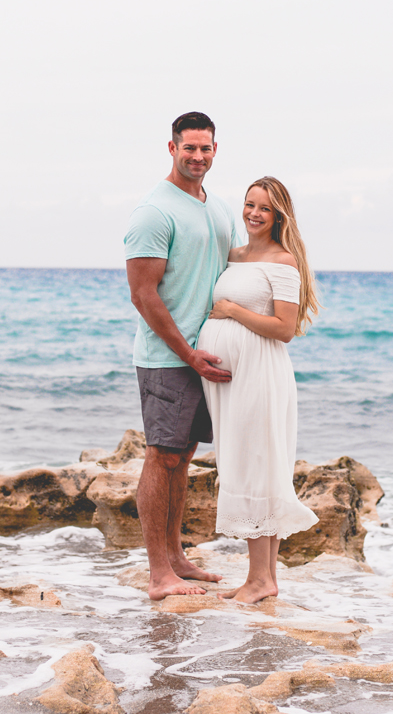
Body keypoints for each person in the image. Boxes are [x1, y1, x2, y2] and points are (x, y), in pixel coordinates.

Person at [124, 112, 241, 600]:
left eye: (206, 149)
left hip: (202, 355)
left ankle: (177, 559)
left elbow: (234, 271)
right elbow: (143, 294)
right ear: (171, 148)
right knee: (162, 456)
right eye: (189, 148)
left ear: (216, 151)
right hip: (167, 357)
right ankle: (158, 575)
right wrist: (188, 354)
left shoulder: (217, 209)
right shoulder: (155, 211)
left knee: (184, 457)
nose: (197, 157)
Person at [197, 176, 321, 604]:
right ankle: (263, 579)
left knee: (257, 464)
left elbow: (284, 328)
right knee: (245, 462)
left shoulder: (283, 262)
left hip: (260, 374)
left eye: (264, 208)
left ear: (278, 216)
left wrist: (230, 310)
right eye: (249, 204)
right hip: (231, 380)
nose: (253, 213)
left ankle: (259, 580)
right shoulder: (234, 256)